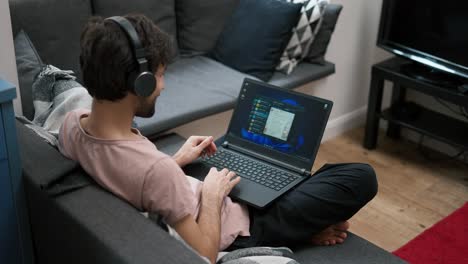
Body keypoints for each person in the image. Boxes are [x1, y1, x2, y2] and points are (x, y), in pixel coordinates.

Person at [58, 14, 378, 264]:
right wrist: (212, 195)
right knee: (361, 176)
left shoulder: (73, 126)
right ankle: (304, 228)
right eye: (159, 75)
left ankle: (304, 219)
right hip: (242, 225)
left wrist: (177, 160)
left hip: (190, 191)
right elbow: (204, 256)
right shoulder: (156, 172)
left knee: (247, 155)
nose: (163, 85)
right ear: (140, 83)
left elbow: (129, 172)